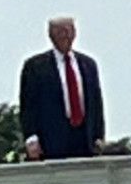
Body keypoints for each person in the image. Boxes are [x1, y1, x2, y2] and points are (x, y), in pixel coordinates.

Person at [19, 17, 105, 161]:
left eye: (68, 30)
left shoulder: (88, 65)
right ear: (51, 34)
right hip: (51, 141)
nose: (65, 35)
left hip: (85, 140)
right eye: (60, 31)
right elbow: (28, 105)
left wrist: (99, 135)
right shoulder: (35, 67)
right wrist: (31, 138)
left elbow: (97, 103)